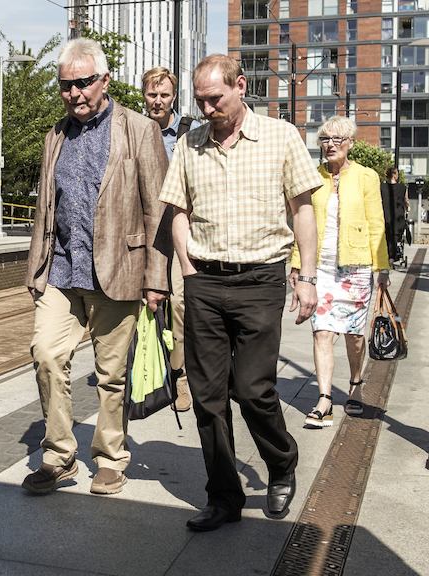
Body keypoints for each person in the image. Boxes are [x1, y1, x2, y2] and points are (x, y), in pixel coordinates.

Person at [159, 54, 322, 531]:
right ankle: (224, 496)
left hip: (260, 279)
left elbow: (303, 211)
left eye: (216, 98)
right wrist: (188, 266)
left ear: (241, 86)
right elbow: (178, 209)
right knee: (209, 398)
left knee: (253, 389)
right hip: (205, 281)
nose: (207, 108)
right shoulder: (190, 143)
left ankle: (281, 461)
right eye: (201, 99)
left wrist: (306, 276)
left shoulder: (281, 136)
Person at [23, 38, 171, 496]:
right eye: (66, 85)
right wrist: (35, 267)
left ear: (104, 81)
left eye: (84, 83)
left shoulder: (139, 130)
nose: (75, 93)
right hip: (63, 272)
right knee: (46, 354)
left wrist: (157, 279)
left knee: (112, 376)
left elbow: (158, 212)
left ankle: (109, 457)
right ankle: (59, 457)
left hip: (119, 272)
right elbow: (47, 205)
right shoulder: (56, 134)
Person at [291, 116, 390, 426]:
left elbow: (377, 223)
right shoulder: (311, 177)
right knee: (321, 330)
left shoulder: (366, 177)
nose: (330, 144)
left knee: (353, 336)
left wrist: (382, 267)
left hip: (357, 266)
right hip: (320, 266)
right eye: (324, 139)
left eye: (336, 139)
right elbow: (300, 222)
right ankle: (324, 399)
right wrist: (297, 263)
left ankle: (356, 384)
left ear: (350, 143)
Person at [141, 66, 203, 413]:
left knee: (179, 305)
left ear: (173, 97)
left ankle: (180, 376)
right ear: (144, 95)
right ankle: (144, 369)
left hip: (182, 230)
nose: (158, 101)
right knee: (143, 306)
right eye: (152, 94)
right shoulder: (134, 130)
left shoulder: (190, 131)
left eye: (164, 95)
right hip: (147, 234)